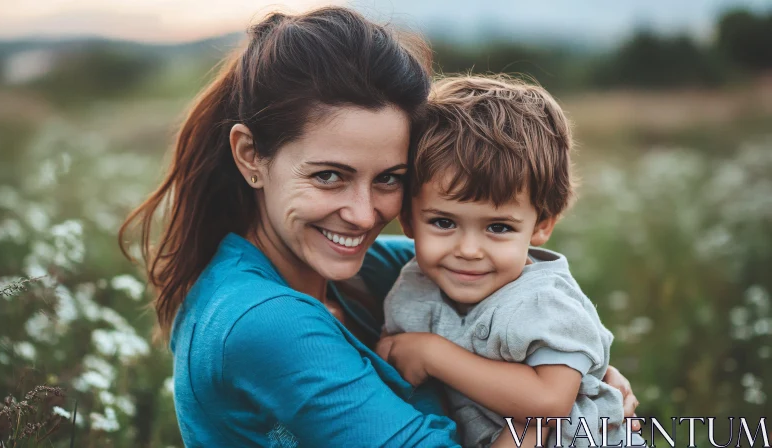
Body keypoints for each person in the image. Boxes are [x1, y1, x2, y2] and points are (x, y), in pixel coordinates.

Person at [119, 7, 640, 447]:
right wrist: (566, 423)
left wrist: (587, 382)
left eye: (390, 179)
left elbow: (533, 321)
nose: (365, 215)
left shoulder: (379, 269)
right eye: (329, 176)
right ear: (251, 156)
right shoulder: (262, 321)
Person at [378, 76, 644, 448]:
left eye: (498, 227)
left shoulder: (543, 302)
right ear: (407, 218)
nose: (469, 249)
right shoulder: (413, 285)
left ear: (542, 224)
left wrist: (433, 355)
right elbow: (390, 360)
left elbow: (549, 405)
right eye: (443, 222)